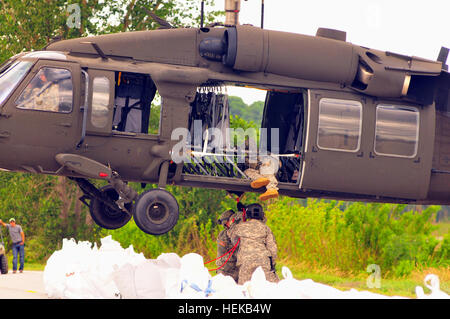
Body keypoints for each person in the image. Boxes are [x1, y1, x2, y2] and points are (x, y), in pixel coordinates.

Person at [227, 203, 279, 285]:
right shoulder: (265, 228)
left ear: (247, 214)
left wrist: (239, 215)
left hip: (245, 262)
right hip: (263, 261)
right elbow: (273, 249)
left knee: (244, 290)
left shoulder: (240, 227)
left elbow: (232, 236)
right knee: (272, 288)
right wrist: (272, 264)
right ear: (262, 214)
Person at [215, 209, 239, 282]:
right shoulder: (224, 235)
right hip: (226, 271)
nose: (227, 225)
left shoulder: (237, 231)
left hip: (234, 270)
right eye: (226, 224)